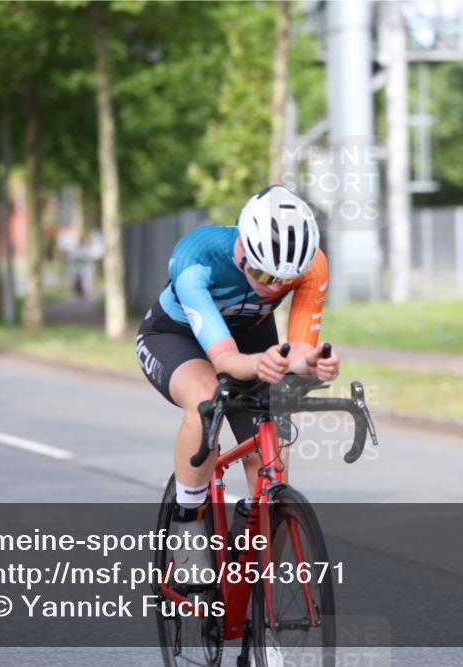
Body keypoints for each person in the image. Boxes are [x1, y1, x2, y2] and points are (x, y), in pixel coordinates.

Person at [136, 185, 340, 581]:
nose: (271, 286)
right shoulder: (197, 258)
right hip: (179, 336)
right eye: (263, 273)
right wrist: (263, 364)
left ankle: (260, 594)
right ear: (243, 249)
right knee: (206, 401)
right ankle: (188, 526)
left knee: (270, 453)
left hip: (252, 337)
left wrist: (311, 362)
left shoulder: (312, 265)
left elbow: (297, 349)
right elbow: (227, 361)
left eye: (284, 279)